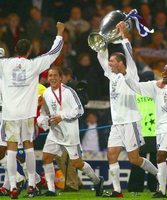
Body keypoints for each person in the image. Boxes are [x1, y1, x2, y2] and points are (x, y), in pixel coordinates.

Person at [123, 22, 167, 197]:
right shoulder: (156, 86)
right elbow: (135, 86)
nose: (163, 73)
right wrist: (124, 73)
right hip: (160, 128)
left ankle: (161, 191)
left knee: (160, 156)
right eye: (163, 71)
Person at [0, 22, 64, 199]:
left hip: (9, 114)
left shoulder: (4, 64)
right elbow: (54, 52)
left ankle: (13, 186)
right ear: (29, 51)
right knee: (28, 146)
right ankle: (30, 185)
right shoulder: (34, 64)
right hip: (27, 114)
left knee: (11, 149)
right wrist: (59, 32)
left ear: (15, 49)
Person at [96, 22, 158, 198]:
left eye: (112, 61)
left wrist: (123, 35)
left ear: (121, 63)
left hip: (131, 122)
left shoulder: (131, 74)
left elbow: (129, 54)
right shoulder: (111, 76)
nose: (109, 64)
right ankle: (117, 191)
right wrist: (103, 40)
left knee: (134, 159)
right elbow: (101, 56)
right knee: (111, 155)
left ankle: (158, 176)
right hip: (117, 124)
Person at [37, 67, 104, 196]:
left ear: (61, 77)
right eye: (50, 75)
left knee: (77, 163)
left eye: (55, 75)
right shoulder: (46, 93)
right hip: (55, 132)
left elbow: (80, 110)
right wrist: (43, 121)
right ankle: (51, 190)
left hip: (70, 134)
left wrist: (62, 117)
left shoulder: (69, 92)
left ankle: (96, 181)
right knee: (46, 158)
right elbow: (43, 113)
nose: (52, 78)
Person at [128, 71, 157, 194]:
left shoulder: (135, 92)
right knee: (156, 161)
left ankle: (135, 187)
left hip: (139, 132)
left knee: (138, 161)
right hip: (155, 131)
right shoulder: (157, 92)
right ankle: (155, 187)